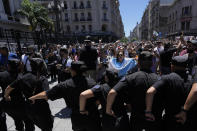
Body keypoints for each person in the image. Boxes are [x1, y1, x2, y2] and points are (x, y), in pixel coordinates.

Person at [28, 61, 102, 131]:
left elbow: (46, 94)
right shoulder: (92, 82)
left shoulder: (65, 85)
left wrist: (33, 97)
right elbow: (100, 98)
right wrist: (93, 106)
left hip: (77, 118)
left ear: (72, 71)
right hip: (92, 116)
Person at [106, 51, 163, 131]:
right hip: (154, 118)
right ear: (152, 64)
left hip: (137, 119)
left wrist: (108, 110)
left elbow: (112, 93)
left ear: (138, 64)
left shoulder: (129, 78)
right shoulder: (160, 79)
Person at [145, 54, 192, 131]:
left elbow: (150, 92)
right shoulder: (192, 80)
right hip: (187, 119)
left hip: (171, 120)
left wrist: (148, 111)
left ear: (172, 66)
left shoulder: (167, 78)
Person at [4, 58, 53, 131]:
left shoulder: (23, 77)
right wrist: (34, 97)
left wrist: (6, 96)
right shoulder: (42, 79)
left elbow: (8, 88)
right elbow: (46, 95)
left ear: (30, 66)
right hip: (42, 109)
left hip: (29, 108)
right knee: (47, 127)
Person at [0, 59, 35, 131]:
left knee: (17, 119)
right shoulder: (23, 76)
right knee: (28, 121)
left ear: (8, 65)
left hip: (8, 105)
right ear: (19, 66)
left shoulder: (2, 75)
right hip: (21, 104)